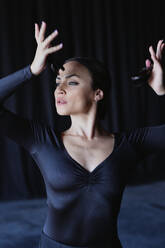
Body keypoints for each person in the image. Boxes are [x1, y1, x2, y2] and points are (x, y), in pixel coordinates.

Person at [0, 21, 165, 248]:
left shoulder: (129, 145)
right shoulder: (43, 141)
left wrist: (163, 90)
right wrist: (31, 71)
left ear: (98, 93)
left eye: (73, 82)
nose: (60, 88)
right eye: (58, 81)